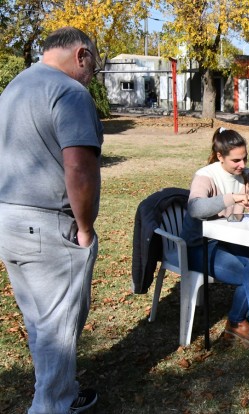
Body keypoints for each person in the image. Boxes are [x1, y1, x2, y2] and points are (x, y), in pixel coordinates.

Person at [0, 27, 103, 413]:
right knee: (58, 328)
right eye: (93, 64)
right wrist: (86, 228)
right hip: (48, 227)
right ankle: (52, 404)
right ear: (81, 55)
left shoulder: (15, 87)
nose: (92, 74)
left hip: (8, 220)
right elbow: (79, 168)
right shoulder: (70, 91)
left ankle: (61, 389)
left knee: (40, 324)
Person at [180, 127, 249, 354]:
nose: (242, 164)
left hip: (232, 240)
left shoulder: (248, 175)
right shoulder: (206, 176)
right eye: (236, 160)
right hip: (200, 246)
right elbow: (195, 207)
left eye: (245, 158)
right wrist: (232, 198)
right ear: (220, 156)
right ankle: (242, 324)